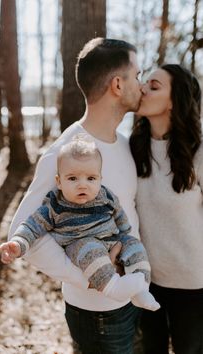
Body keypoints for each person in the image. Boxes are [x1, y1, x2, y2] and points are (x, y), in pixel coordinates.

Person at [9, 37, 144, 353]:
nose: (142, 83)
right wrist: (91, 277)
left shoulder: (122, 144)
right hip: (97, 313)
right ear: (117, 84)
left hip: (126, 303)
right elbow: (23, 233)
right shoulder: (66, 152)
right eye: (137, 75)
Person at [0, 135, 160, 311]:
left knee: (135, 246)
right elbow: (32, 225)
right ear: (59, 182)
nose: (82, 185)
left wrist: (124, 232)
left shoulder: (105, 195)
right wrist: (18, 243)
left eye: (91, 178)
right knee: (90, 248)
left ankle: (141, 289)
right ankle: (113, 287)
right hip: (80, 245)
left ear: (100, 179)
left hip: (112, 239)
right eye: (73, 178)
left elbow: (118, 212)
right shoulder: (55, 205)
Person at [130, 64, 203, 354]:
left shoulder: (199, 151)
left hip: (194, 285)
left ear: (175, 101)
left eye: (154, 86)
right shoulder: (131, 148)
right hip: (146, 282)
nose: (142, 88)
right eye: (144, 82)